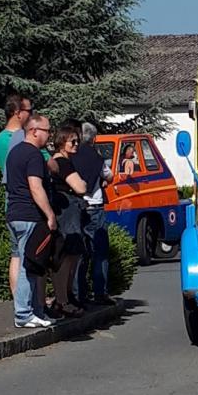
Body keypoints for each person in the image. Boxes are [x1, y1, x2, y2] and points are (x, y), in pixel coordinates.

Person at [5, 114, 57, 328]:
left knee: (22, 261)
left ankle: (34, 311)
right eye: (47, 130)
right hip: (28, 215)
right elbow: (35, 187)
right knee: (30, 266)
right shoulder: (34, 155)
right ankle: (24, 314)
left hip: (13, 213)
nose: (49, 135)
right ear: (34, 131)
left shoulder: (15, 152)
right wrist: (50, 214)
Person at [72, 122, 115, 306]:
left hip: (77, 206)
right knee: (100, 252)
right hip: (95, 206)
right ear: (94, 138)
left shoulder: (71, 155)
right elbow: (109, 175)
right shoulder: (96, 157)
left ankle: (78, 293)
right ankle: (100, 293)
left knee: (80, 252)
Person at [0, 94, 33, 296]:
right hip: (26, 200)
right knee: (28, 254)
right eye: (29, 111)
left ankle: (17, 298)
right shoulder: (21, 139)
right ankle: (28, 302)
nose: (31, 115)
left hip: (11, 201)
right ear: (18, 113)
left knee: (16, 253)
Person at [49, 125, 87, 317]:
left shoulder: (64, 161)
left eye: (78, 140)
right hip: (66, 212)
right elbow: (80, 187)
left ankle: (67, 296)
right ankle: (62, 299)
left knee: (73, 254)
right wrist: (83, 183)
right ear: (62, 141)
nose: (76, 144)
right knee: (66, 254)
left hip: (68, 210)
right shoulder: (62, 163)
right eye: (72, 141)